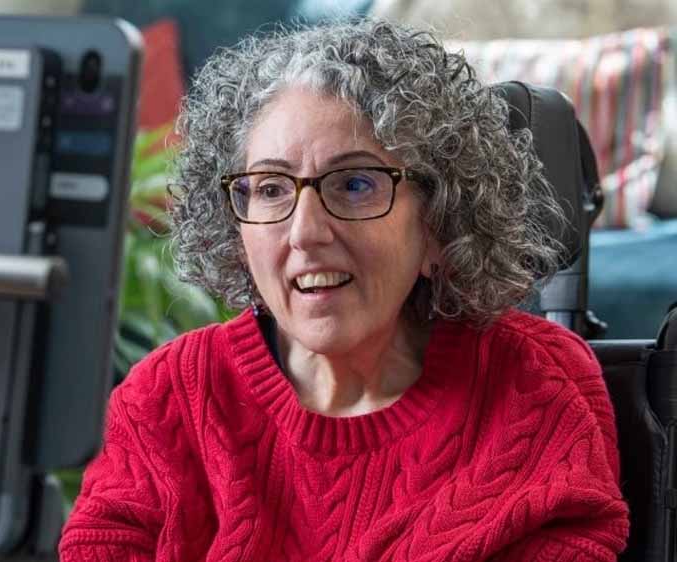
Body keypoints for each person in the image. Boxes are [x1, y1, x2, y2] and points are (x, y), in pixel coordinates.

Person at [59, 19, 630, 561]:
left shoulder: (535, 385)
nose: (305, 232)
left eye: (355, 184)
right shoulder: (165, 399)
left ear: (439, 222)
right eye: (271, 189)